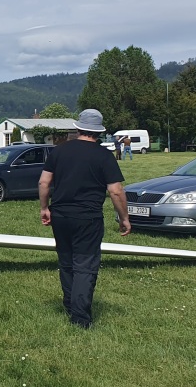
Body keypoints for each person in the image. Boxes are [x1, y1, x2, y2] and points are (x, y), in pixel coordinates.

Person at [39, 109, 131, 329]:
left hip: (60, 215)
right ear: (98, 132)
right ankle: (80, 318)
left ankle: (70, 305)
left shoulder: (59, 151)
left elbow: (44, 182)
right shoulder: (103, 155)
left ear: (78, 128)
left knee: (66, 261)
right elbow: (116, 191)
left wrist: (44, 208)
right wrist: (124, 218)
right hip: (87, 218)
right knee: (85, 265)